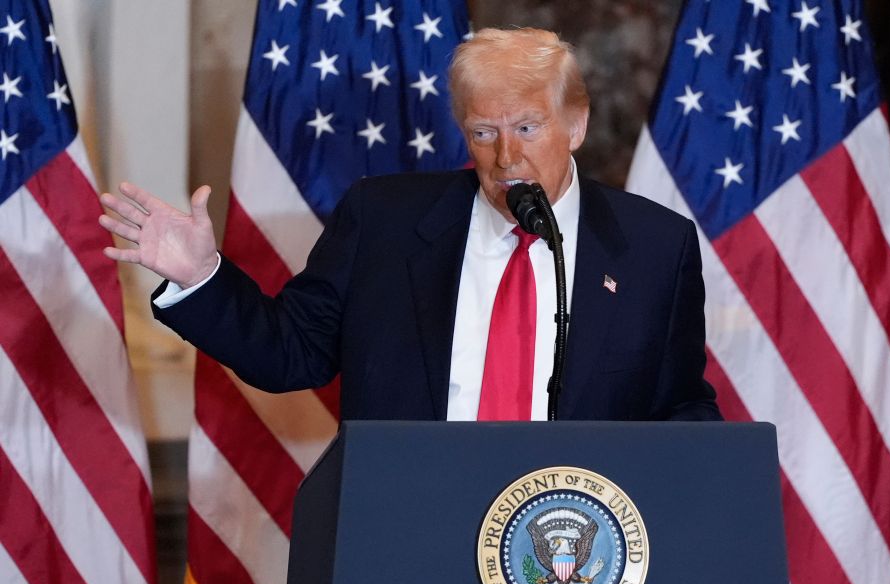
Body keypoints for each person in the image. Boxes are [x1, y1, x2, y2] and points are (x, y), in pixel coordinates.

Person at [99, 27, 721, 422]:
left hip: (574, 562)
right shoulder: (384, 222)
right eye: (484, 133)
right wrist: (201, 277)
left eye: (527, 128)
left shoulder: (652, 248)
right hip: (409, 535)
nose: (507, 156)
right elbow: (290, 354)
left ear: (576, 126)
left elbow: (679, 408)